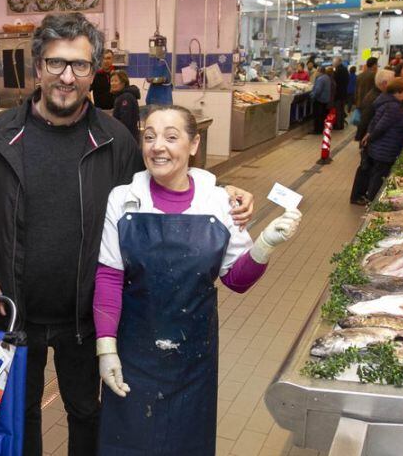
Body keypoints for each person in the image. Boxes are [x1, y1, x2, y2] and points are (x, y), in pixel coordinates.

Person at [0, 12, 255, 456]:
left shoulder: (115, 141)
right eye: (56, 63)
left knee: (86, 411)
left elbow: (160, 186)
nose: (67, 76)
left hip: (86, 315)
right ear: (38, 67)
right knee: (19, 412)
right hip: (14, 311)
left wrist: (219, 191)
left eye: (79, 65)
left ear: (94, 71)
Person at [93, 105, 300, 455]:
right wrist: (106, 350)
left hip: (193, 360)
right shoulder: (124, 199)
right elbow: (109, 278)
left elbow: (236, 280)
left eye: (171, 137)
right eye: (149, 137)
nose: (158, 146)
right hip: (132, 356)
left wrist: (265, 244)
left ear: (194, 144)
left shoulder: (218, 202)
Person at [357, 78, 403, 203]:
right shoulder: (393, 107)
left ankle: (372, 201)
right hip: (386, 149)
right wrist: (370, 137)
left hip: (381, 147)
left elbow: (374, 122)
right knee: (379, 178)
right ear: (398, 92)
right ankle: (373, 203)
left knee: (377, 175)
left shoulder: (386, 102)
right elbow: (380, 127)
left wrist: (369, 136)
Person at [351, 69, 396, 205]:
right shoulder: (375, 98)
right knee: (365, 168)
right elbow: (365, 121)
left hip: (370, 139)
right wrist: (363, 138)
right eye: (393, 82)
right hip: (369, 140)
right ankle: (357, 196)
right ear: (384, 83)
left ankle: (360, 194)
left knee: (367, 168)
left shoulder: (377, 95)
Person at [109, 69, 140, 139]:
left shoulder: (126, 97)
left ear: (123, 83)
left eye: (116, 81)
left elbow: (125, 122)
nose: (113, 83)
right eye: (111, 81)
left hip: (127, 138)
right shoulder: (121, 96)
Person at [310, 66, 333, 134]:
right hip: (325, 100)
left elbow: (318, 90)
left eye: (317, 71)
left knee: (317, 116)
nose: (316, 72)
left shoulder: (320, 79)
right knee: (322, 116)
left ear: (319, 71)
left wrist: (312, 96)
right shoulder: (327, 77)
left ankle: (317, 130)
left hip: (319, 100)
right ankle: (321, 129)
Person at [332, 57, 349, 130]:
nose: (333, 64)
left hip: (338, 94)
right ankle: (341, 125)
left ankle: (338, 126)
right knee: (341, 110)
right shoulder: (345, 69)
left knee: (338, 110)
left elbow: (335, 82)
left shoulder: (338, 70)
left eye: (334, 62)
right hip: (344, 93)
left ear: (338, 62)